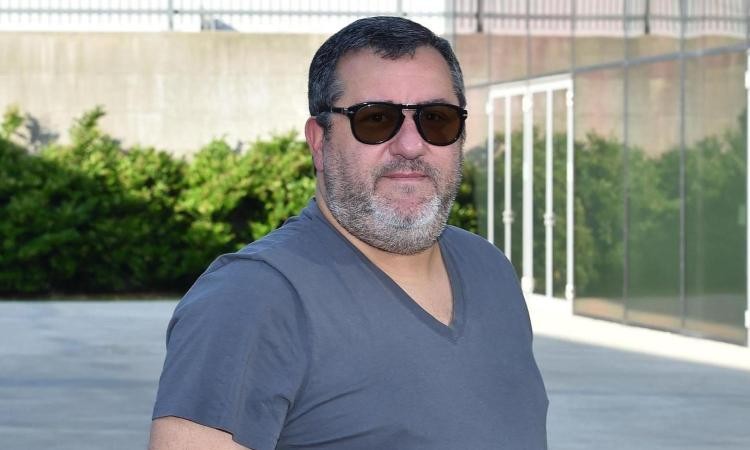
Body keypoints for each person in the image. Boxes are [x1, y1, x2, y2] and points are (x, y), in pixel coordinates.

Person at [148, 16, 548, 450]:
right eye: (375, 119)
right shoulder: (251, 298)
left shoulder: (490, 270)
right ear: (319, 142)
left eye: (436, 118)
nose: (411, 145)